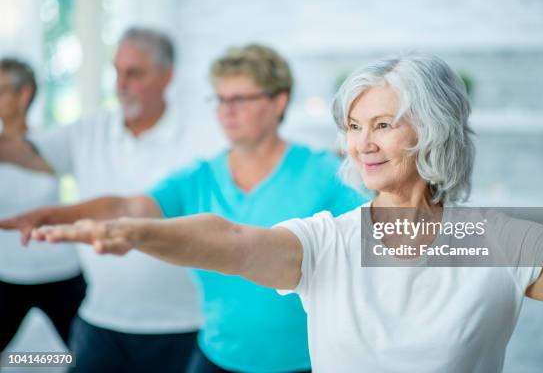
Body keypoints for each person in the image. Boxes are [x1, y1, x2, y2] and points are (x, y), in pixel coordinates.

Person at [20, 52, 543, 372]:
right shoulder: (329, 243)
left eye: (383, 124)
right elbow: (231, 240)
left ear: (434, 130)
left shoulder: (492, 241)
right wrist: (133, 232)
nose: (363, 143)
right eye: (354, 127)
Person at [1, 44, 366, 372]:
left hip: (300, 361)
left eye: (240, 99)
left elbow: (383, 243)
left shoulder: (323, 173)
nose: (227, 111)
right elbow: (130, 204)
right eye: (221, 100)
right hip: (215, 356)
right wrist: (55, 214)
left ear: (279, 102)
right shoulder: (200, 177)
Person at [0, 28, 214, 372]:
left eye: (135, 73)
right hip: (102, 320)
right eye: (117, 71)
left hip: (182, 325)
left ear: (167, 76)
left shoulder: (204, 135)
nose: (121, 84)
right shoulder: (90, 130)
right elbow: (26, 153)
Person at [0, 58, 85, 351]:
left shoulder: (52, 142)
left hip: (60, 271)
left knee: (87, 357)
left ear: (23, 95)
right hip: (7, 274)